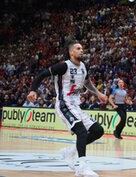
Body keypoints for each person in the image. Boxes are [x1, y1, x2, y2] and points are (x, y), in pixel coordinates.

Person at [27, 40, 107, 177]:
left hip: (76, 106)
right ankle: (82, 167)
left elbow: (87, 83)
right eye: (78, 48)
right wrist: (33, 90)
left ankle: (70, 151)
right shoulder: (64, 66)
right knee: (81, 132)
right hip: (64, 104)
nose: (82, 50)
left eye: (82, 48)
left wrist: (98, 93)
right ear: (71, 52)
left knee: (98, 130)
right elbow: (41, 75)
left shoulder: (83, 66)